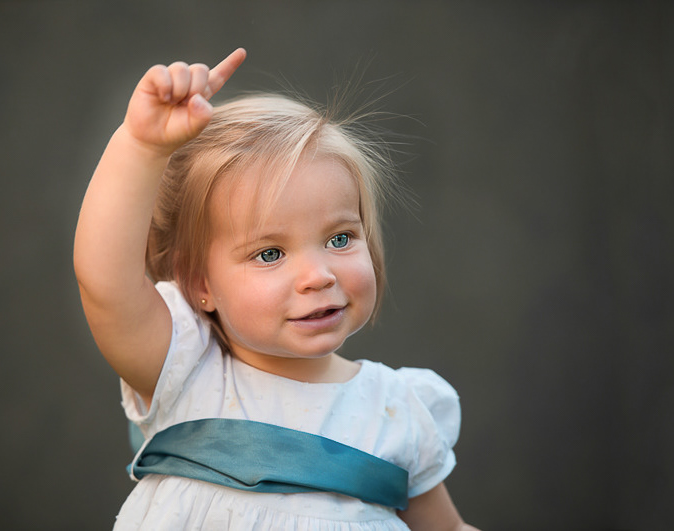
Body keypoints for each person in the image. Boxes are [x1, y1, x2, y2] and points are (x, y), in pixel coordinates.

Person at [74, 47, 479, 530]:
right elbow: (104, 284)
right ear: (200, 284)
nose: (318, 276)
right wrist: (141, 146)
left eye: (339, 239)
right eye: (270, 254)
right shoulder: (186, 370)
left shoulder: (398, 411)